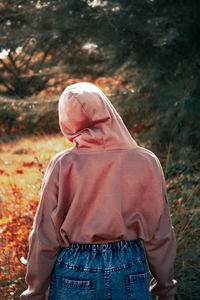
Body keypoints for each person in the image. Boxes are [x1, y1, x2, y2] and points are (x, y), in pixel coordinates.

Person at [20, 82, 177, 300]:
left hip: (75, 268)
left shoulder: (63, 164)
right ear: (108, 110)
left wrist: (35, 291)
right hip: (129, 265)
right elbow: (160, 233)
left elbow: (45, 235)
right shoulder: (147, 160)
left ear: (66, 120)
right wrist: (165, 287)